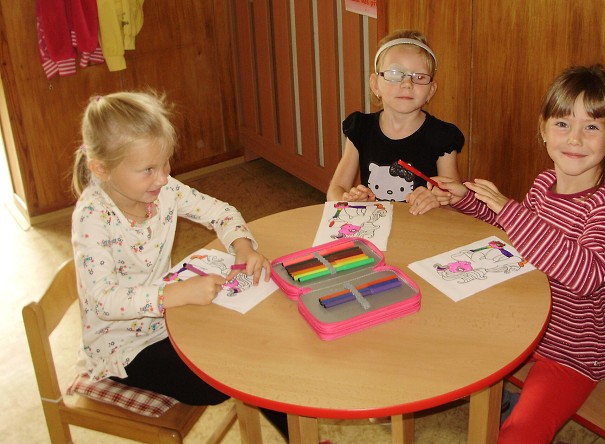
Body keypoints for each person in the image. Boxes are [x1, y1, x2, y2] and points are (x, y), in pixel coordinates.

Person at [70, 91, 290, 439]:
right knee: (222, 379)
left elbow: (221, 212)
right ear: (102, 168)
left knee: (251, 345)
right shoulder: (92, 216)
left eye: (165, 164)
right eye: (148, 169)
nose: (162, 178)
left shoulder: (162, 189)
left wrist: (242, 246)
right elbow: (103, 300)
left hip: (169, 319)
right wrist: (176, 294)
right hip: (124, 349)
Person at [433, 65, 605, 443]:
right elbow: (517, 233)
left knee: (520, 435)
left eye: (591, 126)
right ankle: (500, 398)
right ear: (543, 129)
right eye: (562, 124)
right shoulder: (544, 183)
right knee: (443, 343)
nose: (575, 138)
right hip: (527, 323)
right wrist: (466, 200)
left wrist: (510, 210)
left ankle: (509, 404)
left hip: (574, 353)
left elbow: (585, 275)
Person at [326, 29, 465, 215]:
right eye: (394, 73)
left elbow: (455, 207)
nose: (407, 83)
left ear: (431, 91)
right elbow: (335, 190)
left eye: (419, 77)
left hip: (422, 227)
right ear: (375, 84)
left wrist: (437, 203)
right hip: (373, 223)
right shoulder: (360, 128)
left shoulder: (443, 137)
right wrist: (348, 200)